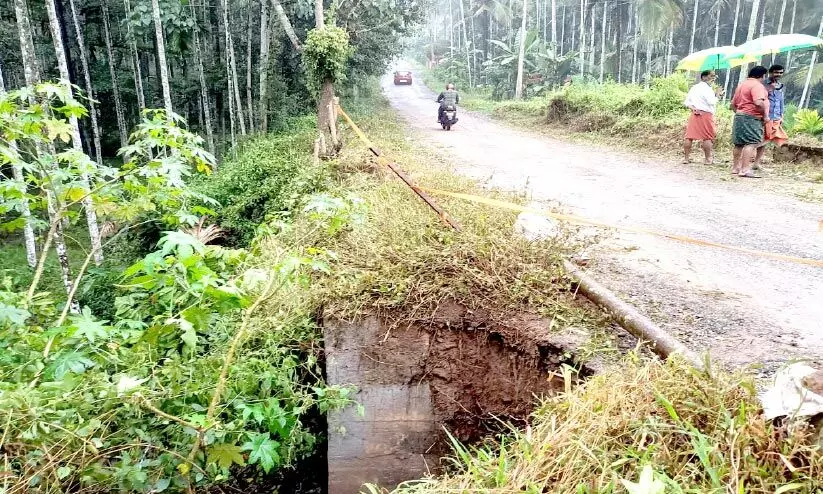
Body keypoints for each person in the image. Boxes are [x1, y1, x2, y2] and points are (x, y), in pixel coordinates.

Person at [730, 65, 770, 178]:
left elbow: (732, 105)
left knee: (738, 143)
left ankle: (735, 167)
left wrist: (740, 113)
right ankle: (745, 169)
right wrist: (765, 115)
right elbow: (758, 102)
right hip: (752, 117)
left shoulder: (742, 85)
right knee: (751, 143)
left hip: (739, 115)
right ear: (762, 75)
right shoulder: (757, 86)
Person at [683, 70, 723, 165]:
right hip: (706, 115)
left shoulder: (694, 87)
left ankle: (686, 158)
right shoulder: (707, 89)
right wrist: (717, 94)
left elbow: (687, 102)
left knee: (689, 136)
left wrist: (693, 108)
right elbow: (712, 102)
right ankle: (708, 159)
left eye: (714, 76)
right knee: (707, 137)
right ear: (704, 77)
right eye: (711, 76)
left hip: (695, 113)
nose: (713, 78)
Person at [753, 64, 788, 170]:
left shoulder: (780, 85)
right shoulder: (762, 84)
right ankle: (746, 153)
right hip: (766, 116)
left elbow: (780, 101)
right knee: (764, 138)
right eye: (776, 72)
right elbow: (760, 99)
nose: (778, 74)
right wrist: (769, 89)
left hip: (776, 116)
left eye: (781, 72)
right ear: (771, 73)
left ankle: (757, 163)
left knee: (767, 139)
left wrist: (781, 115)